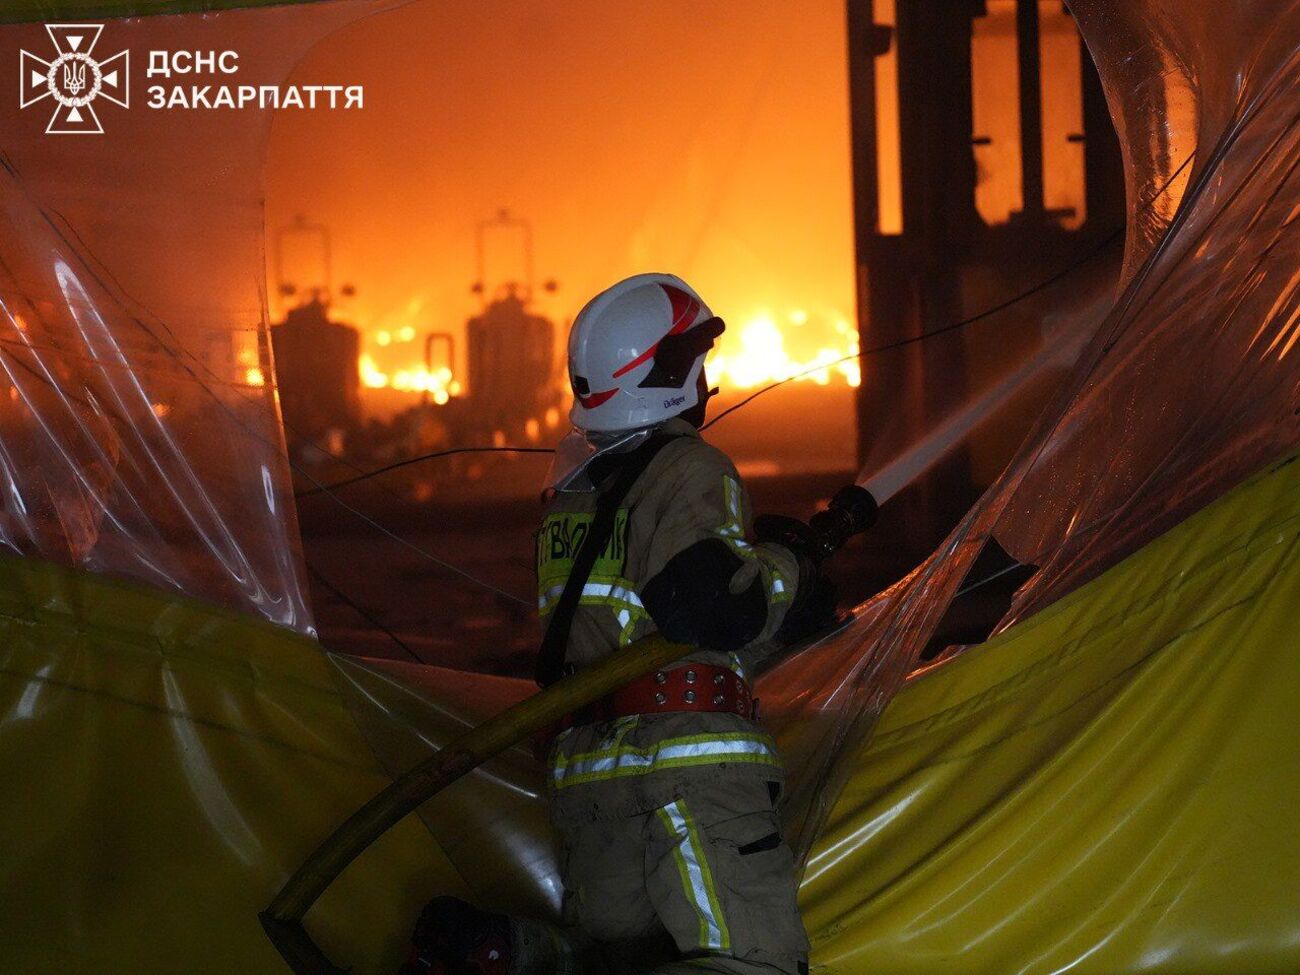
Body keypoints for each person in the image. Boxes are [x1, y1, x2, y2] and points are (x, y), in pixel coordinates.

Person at [403, 273, 838, 975]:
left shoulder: (569, 503)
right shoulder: (689, 469)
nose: (706, 373)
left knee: (620, 959)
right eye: (694, 357)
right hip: (688, 776)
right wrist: (789, 569)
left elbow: (642, 632)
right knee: (749, 963)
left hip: (591, 785)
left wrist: (760, 587)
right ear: (666, 372)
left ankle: (504, 954)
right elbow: (707, 611)